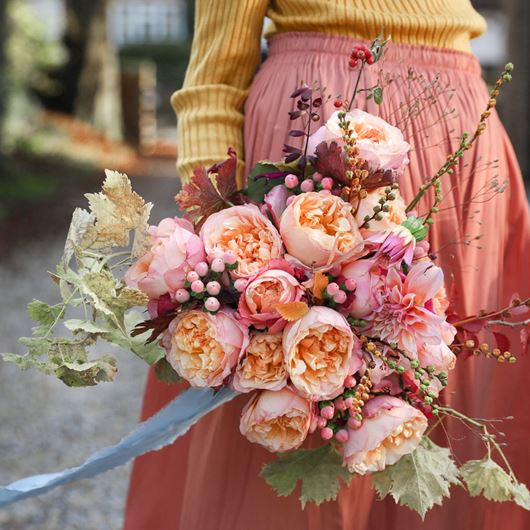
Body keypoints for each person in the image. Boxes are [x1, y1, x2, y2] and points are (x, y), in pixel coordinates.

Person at [123, 2, 530, 529]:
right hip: (310, 128)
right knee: (286, 400)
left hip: (462, 138)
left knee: (448, 395)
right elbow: (213, 81)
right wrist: (216, 221)